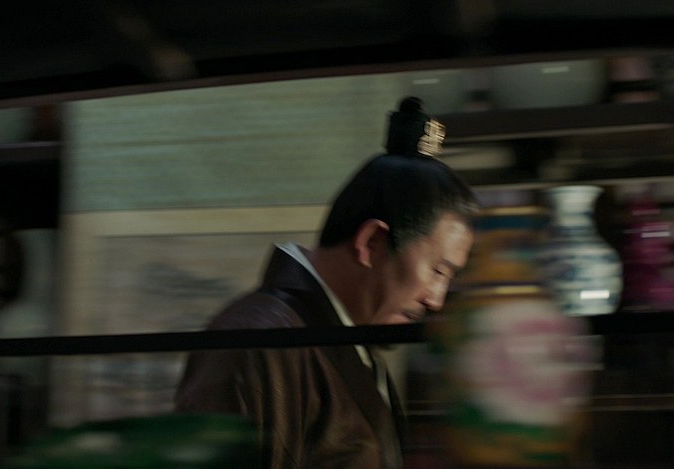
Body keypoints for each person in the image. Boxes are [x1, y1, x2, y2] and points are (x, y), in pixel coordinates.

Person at [174, 97, 479, 469]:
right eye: (437, 271)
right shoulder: (258, 342)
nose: (436, 300)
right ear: (372, 242)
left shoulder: (340, 340)